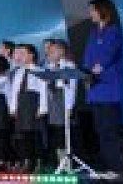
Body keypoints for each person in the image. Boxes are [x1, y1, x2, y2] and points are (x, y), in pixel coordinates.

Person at [83, 0, 123, 176]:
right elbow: (87, 56)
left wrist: (98, 67)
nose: (90, 13)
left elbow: (110, 52)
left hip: (109, 89)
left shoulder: (114, 30)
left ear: (103, 10)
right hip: (95, 90)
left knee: (111, 132)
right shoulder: (94, 32)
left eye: (92, 9)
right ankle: (109, 168)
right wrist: (86, 71)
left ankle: (120, 169)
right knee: (100, 131)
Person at [9, 44, 47, 172]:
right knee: (23, 135)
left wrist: (42, 108)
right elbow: (14, 91)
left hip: (33, 103)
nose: (20, 56)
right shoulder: (18, 72)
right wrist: (13, 107)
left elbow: (43, 91)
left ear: (31, 55)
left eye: (23, 53)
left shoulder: (40, 71)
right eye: (19, 54)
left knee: (35, 134)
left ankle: (38, 161)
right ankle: (27, 161)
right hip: (21, 105)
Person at [44, 39, 76, 169]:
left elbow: (72, 88)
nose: (49, 54)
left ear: (61, 51)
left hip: (64, 101)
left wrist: (69, 107)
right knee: (56, 133)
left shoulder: (69, 66)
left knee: (65, 133)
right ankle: (60, 162)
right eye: (49, 52)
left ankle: (68, 165)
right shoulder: (49, 67)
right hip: (54, 103)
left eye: (52, 51)